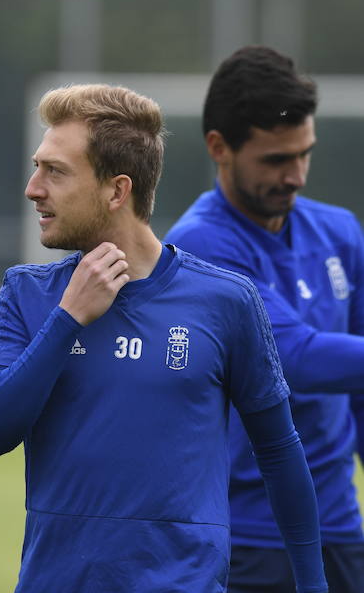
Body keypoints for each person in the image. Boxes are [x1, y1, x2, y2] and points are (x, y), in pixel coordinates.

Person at [0, 83, 328, 592]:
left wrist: (313, 585)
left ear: (117, 190)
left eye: (55, 171)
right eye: (37, 166)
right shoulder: (29, 294)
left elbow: (280, 452)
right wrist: (67, 320)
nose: (33, 187)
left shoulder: (226, 301)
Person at [166, 45, 364, 592]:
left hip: (341, 529)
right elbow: (293, 358)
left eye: (304, 155)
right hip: (247, 539)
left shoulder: (340, 232)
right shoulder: (198, 247)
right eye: (276, 160)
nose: (296, 176)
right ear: (219, 148)